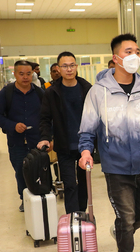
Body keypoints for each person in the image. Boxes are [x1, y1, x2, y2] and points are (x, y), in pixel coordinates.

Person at [78, 34, 140, 252]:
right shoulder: (98, 93)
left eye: (137, 50)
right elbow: (87, 129)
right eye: (128, 51)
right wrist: (85, 152)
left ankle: (122, 232)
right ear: (116, 58)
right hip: (115, 166)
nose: (134, 56)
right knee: (126, 217)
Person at [37, 51, 92, 214]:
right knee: (69, 184)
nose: (69, 69)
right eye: (65, 66)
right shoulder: (52, 92)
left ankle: (81, 213)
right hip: (64, 145)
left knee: (84, 184)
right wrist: (45, 138)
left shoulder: (87, 89)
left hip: (85, 146)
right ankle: (73, 217)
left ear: (76, 67)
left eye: (72, 65)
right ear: (58, 69)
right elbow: (45, 118)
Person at [0, 60, 43, 212]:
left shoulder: (39, 93)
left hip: (37, 141)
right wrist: (12, 125)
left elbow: (48, 116)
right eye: (21, 74)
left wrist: (49, 136)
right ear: (14, 74)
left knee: (39, 170)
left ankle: (39, 198)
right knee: (21, 171)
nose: (25, 77)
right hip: (17, 142)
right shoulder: (6, 93)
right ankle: (25, 199)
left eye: (29, 74)